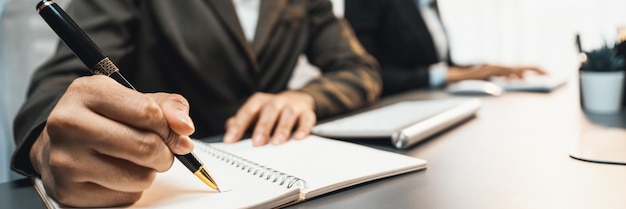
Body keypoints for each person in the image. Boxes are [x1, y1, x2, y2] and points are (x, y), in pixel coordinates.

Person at [11, 0, 381, 207]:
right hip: (159, 173)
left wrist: (304, 96)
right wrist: (47, 144)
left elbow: (361, 68)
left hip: (279, 167)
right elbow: (56, 88)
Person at [344, 0, 545, 96]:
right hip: (394, 107)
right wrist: (445, 75)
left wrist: (489, 69)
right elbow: (369, 74)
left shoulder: (427, 4)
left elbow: (443, 65)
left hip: (437, 101)